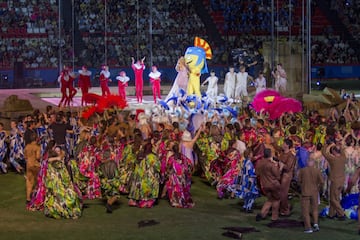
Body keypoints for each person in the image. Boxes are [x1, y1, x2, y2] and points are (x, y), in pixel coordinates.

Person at [128, 142, 160, 208]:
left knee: (140, 185)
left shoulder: (139, 154)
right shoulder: (153, 156)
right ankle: (147, 201)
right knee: (151, 183)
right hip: (150, 176)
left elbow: (134, 163)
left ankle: (138, 200)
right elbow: (157, 167)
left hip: (140, 175)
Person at [256, 148, 283, 221]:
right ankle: (274, 217)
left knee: (269, 200)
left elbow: (257, 173)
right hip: (273, 184)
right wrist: (279, 167)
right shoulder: (271, 164)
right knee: (276, 200)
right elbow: (277, 175)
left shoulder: (259, 163)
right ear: (270, 154)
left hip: (264, 185)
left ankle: (262, 214)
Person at [322, 142, 346, 220]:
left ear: (334, 152)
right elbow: (342, 151)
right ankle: (331, 214)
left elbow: (323, 153)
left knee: (333, 199)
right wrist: (339, 145)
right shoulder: (343, 157)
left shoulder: (333, 159)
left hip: (335, 181)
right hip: (342, 181)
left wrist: (328, 144)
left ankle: (341, 214)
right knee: (336, 198)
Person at [299, 158, 324, 233]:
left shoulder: (302, 170)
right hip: (314, 192)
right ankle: (316, 224)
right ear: (313, 163)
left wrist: (302, 186)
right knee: (315, 209)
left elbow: (299, 181)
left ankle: (308, 228)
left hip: (305, 193)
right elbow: (322, 182)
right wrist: (318, 188)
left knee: (305, 211)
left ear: (307, 162)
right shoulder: (317, 171)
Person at [165, 144, 194, 208]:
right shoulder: (183, 157)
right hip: (182, 176)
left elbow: (168, 167)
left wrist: (168, 173)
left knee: (175, 189)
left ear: (173, 150)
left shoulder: (171, 158)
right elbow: (190, 164)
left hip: (174, 177)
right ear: (179, 149)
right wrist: (187, 172)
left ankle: (176, 202)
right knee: (182, 188)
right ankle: (181, 201)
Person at [278, 139, 296, 217]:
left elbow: (288, 167)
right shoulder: (282, 153)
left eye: (283, 143)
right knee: (280, 193)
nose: (282, 144)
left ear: (287, 145)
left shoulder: (291, 156)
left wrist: (281, 165)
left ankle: (285, 210)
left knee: (283, 193)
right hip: (281, 175)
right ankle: (283, 207)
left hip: (286, 176)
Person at [24, 132, 41, 203]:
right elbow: (38, 157)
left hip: (28, 165)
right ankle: (37, 196)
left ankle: (28, 198)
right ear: (36, 139)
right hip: (35, 165)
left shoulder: (27, 146)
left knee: (29, 181)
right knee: (38, 181)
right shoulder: (37, 147)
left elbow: (25, 156)